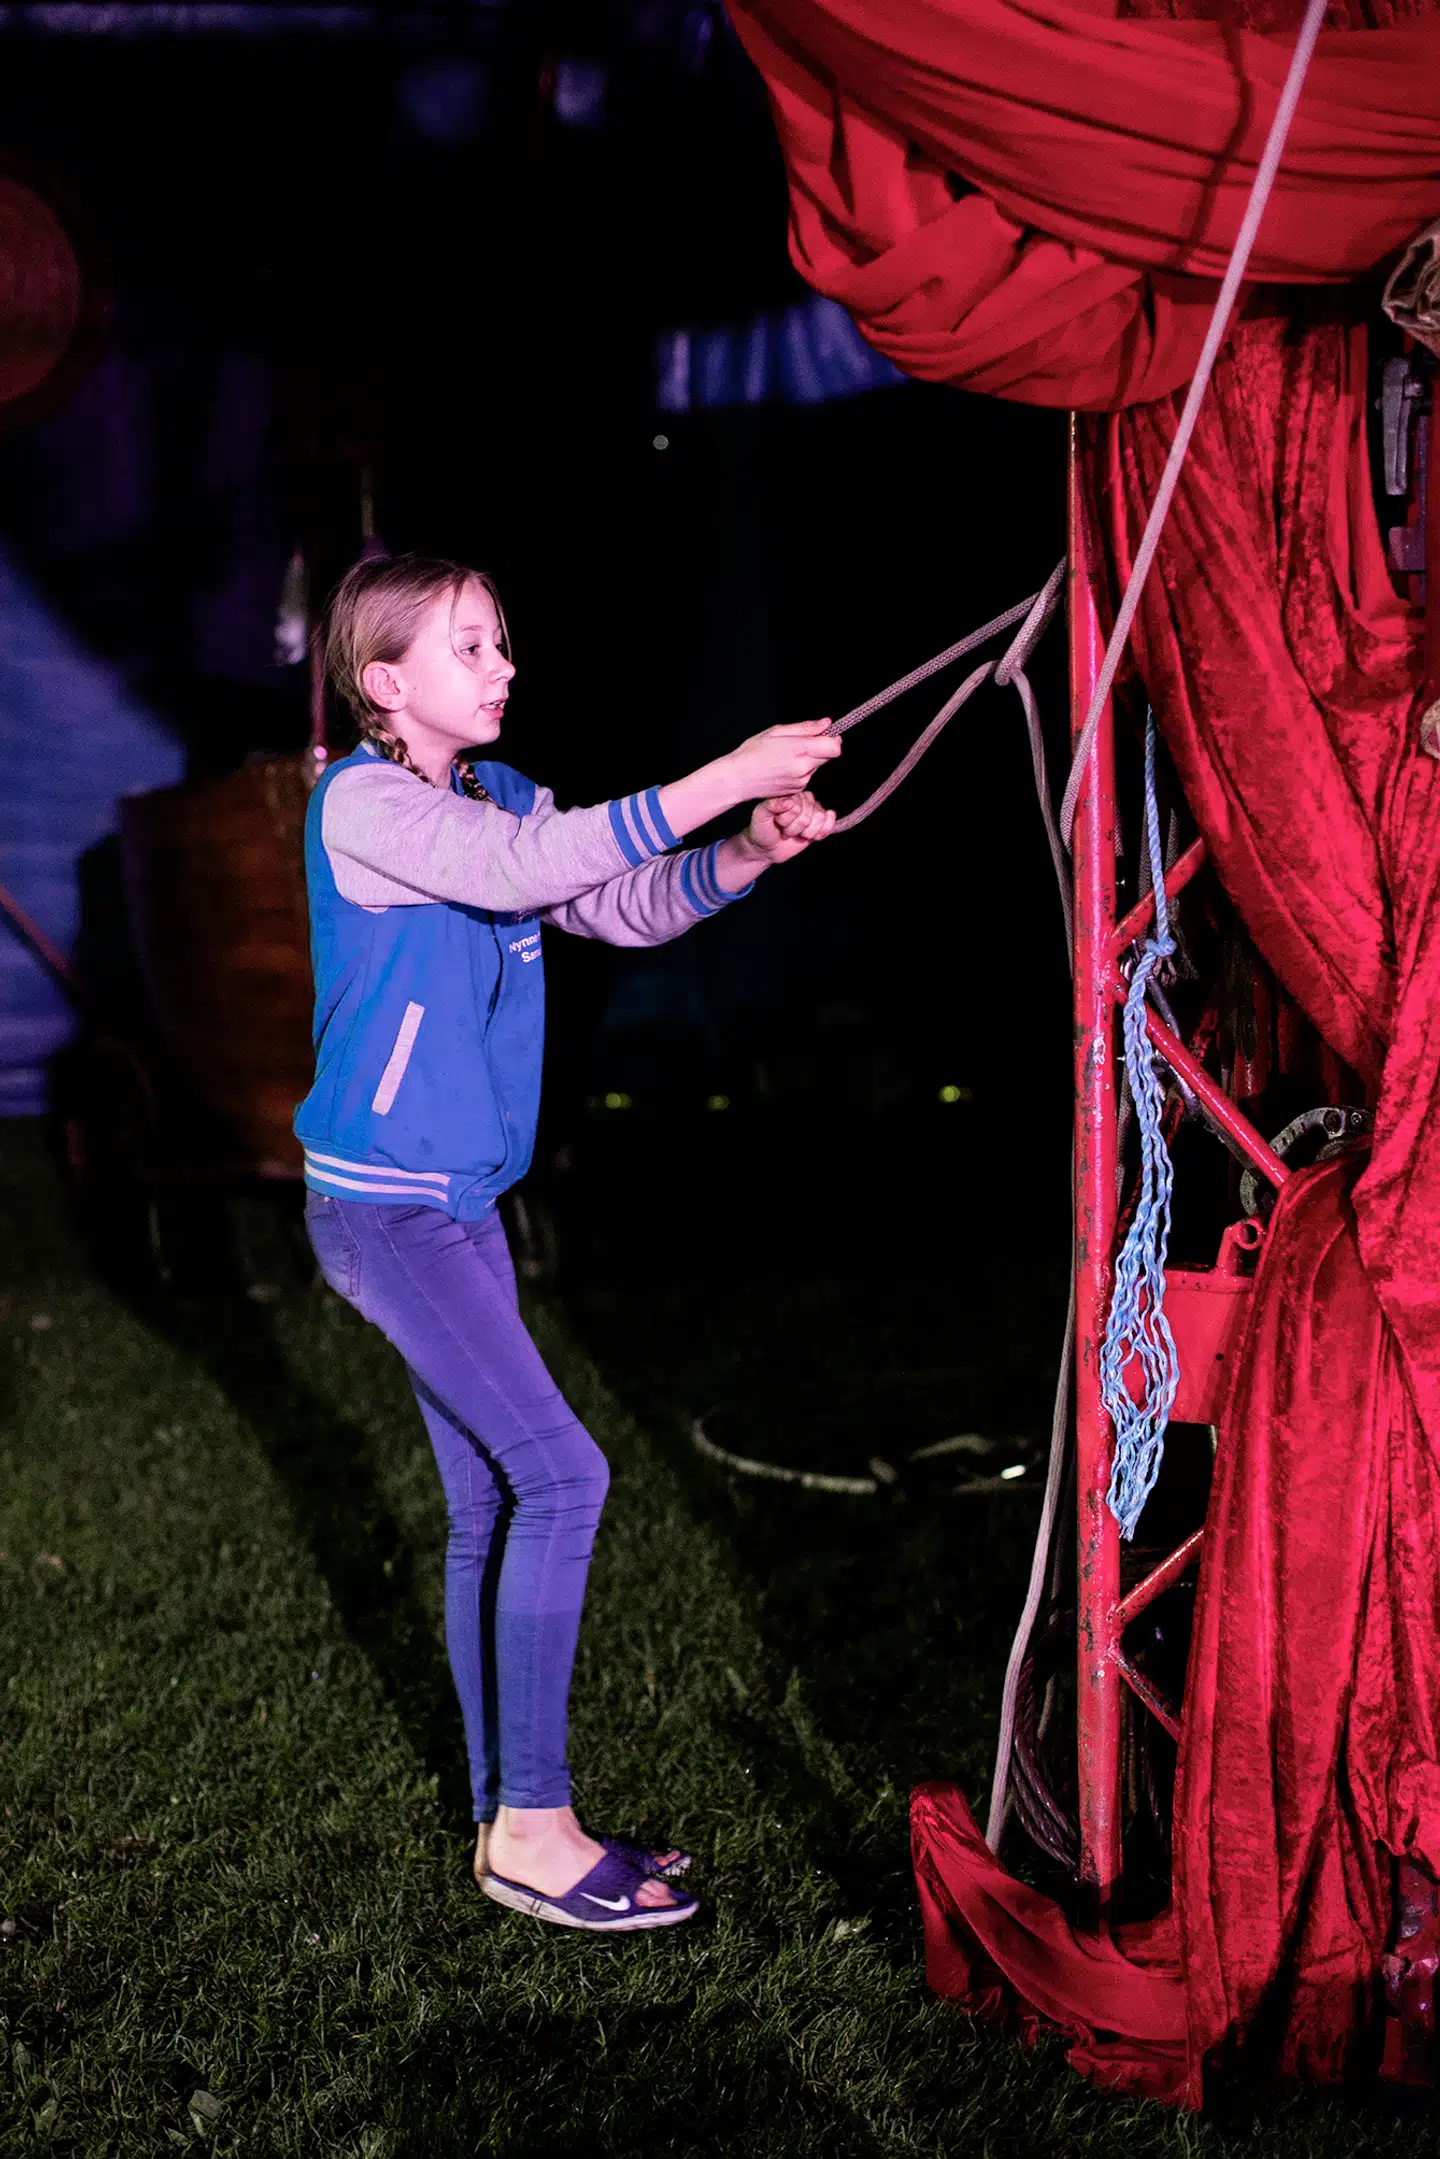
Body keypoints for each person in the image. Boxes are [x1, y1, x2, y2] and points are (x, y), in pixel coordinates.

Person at [297, 552, 839, 1932]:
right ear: (383, 683)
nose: (504, 667)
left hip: (456, 1201)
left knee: (495, 1499)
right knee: (563, 1474)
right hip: (380, 1205)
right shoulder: (363, 806)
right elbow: (536, 865)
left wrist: (742, 855)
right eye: (471, 648)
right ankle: (535, 1821)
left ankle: (509, 1823)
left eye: (503, 643)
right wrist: (719, 774)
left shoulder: (500, 796)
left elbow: (612, 900)